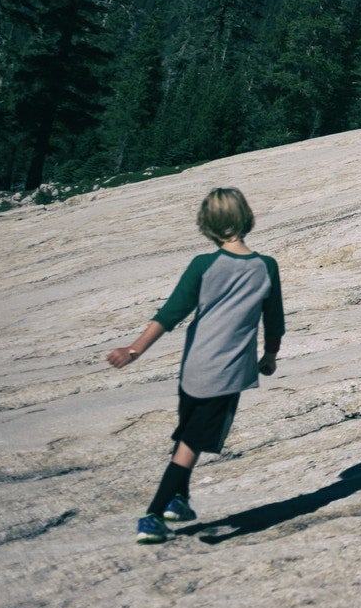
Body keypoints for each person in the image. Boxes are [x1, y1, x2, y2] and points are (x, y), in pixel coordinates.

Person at [106, 186, 285, 544]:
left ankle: (179, 500)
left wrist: (135, 350)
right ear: (246, 218)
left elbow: (171, 313)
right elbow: (275, 320)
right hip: (228, 372)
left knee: (189, 432)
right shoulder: (266, 267)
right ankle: (152, 517)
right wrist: (269, 355)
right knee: (191, 444)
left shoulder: (203, 265)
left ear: (207, 224)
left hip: (194, 368)